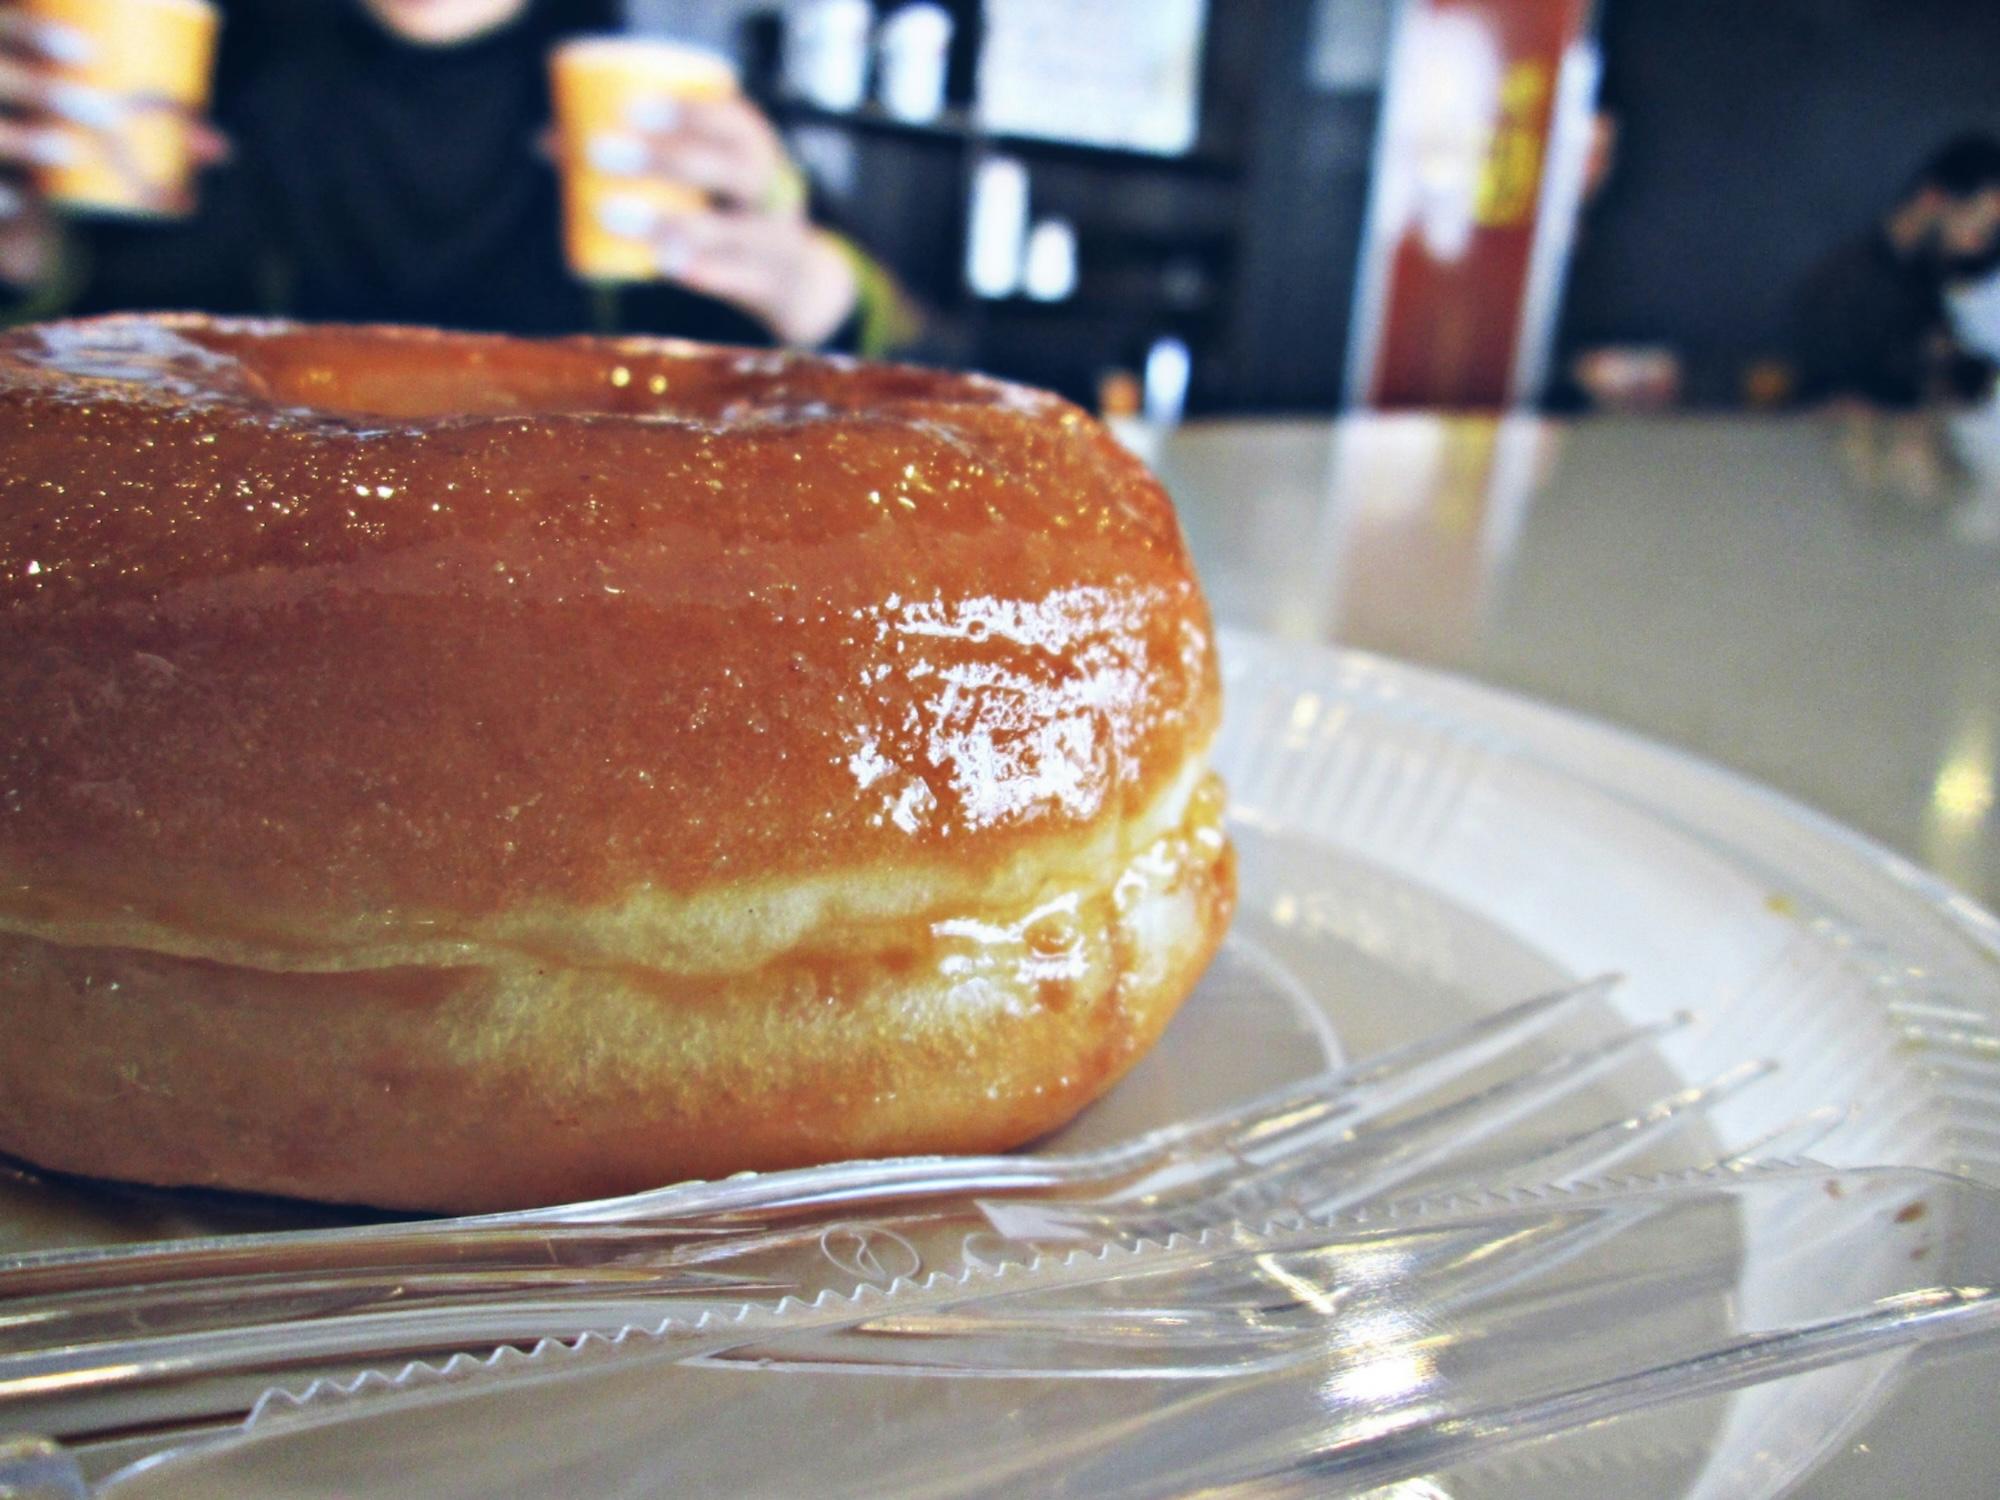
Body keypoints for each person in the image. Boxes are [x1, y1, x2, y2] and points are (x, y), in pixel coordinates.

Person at [0, 0, 895, 350]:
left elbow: (939, 370)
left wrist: (815, 292)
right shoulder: (187, 81)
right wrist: (26, 257)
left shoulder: (674, 100)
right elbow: (85, 392)